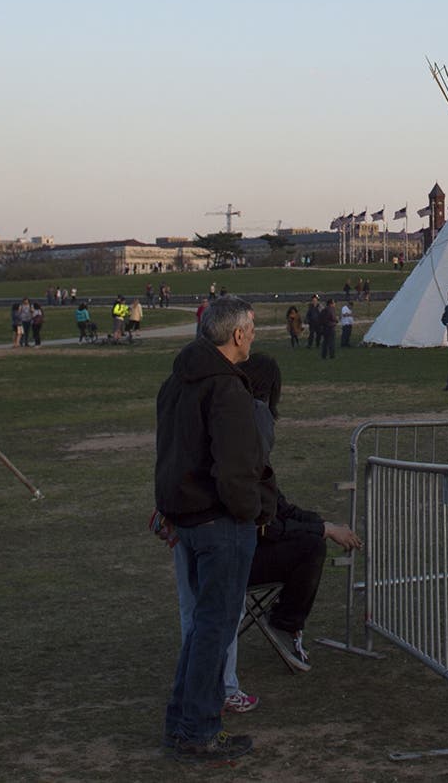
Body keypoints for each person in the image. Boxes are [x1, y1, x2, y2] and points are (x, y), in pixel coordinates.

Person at [155, 296, 270, 763]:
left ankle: (182, 724)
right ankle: (199, 729)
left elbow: (169, 455)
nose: (254, 336)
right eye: (252, 329)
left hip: (188, 517)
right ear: (238, 334)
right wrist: (252, 512)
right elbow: (235, 468)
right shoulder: (226, 389)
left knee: (205, 629)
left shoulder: (177, 381)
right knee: (215, 630)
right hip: (219, 522)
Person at [240, 353, 361, 670]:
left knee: (310, 536)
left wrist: (326, 523)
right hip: (237, 558)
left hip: (245, 549)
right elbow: (268, 526)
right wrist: (324, 530)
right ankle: (285, 621)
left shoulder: (250, 455)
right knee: (310, 547)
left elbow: (280, 508)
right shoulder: (243, 454)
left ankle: (286, 620)